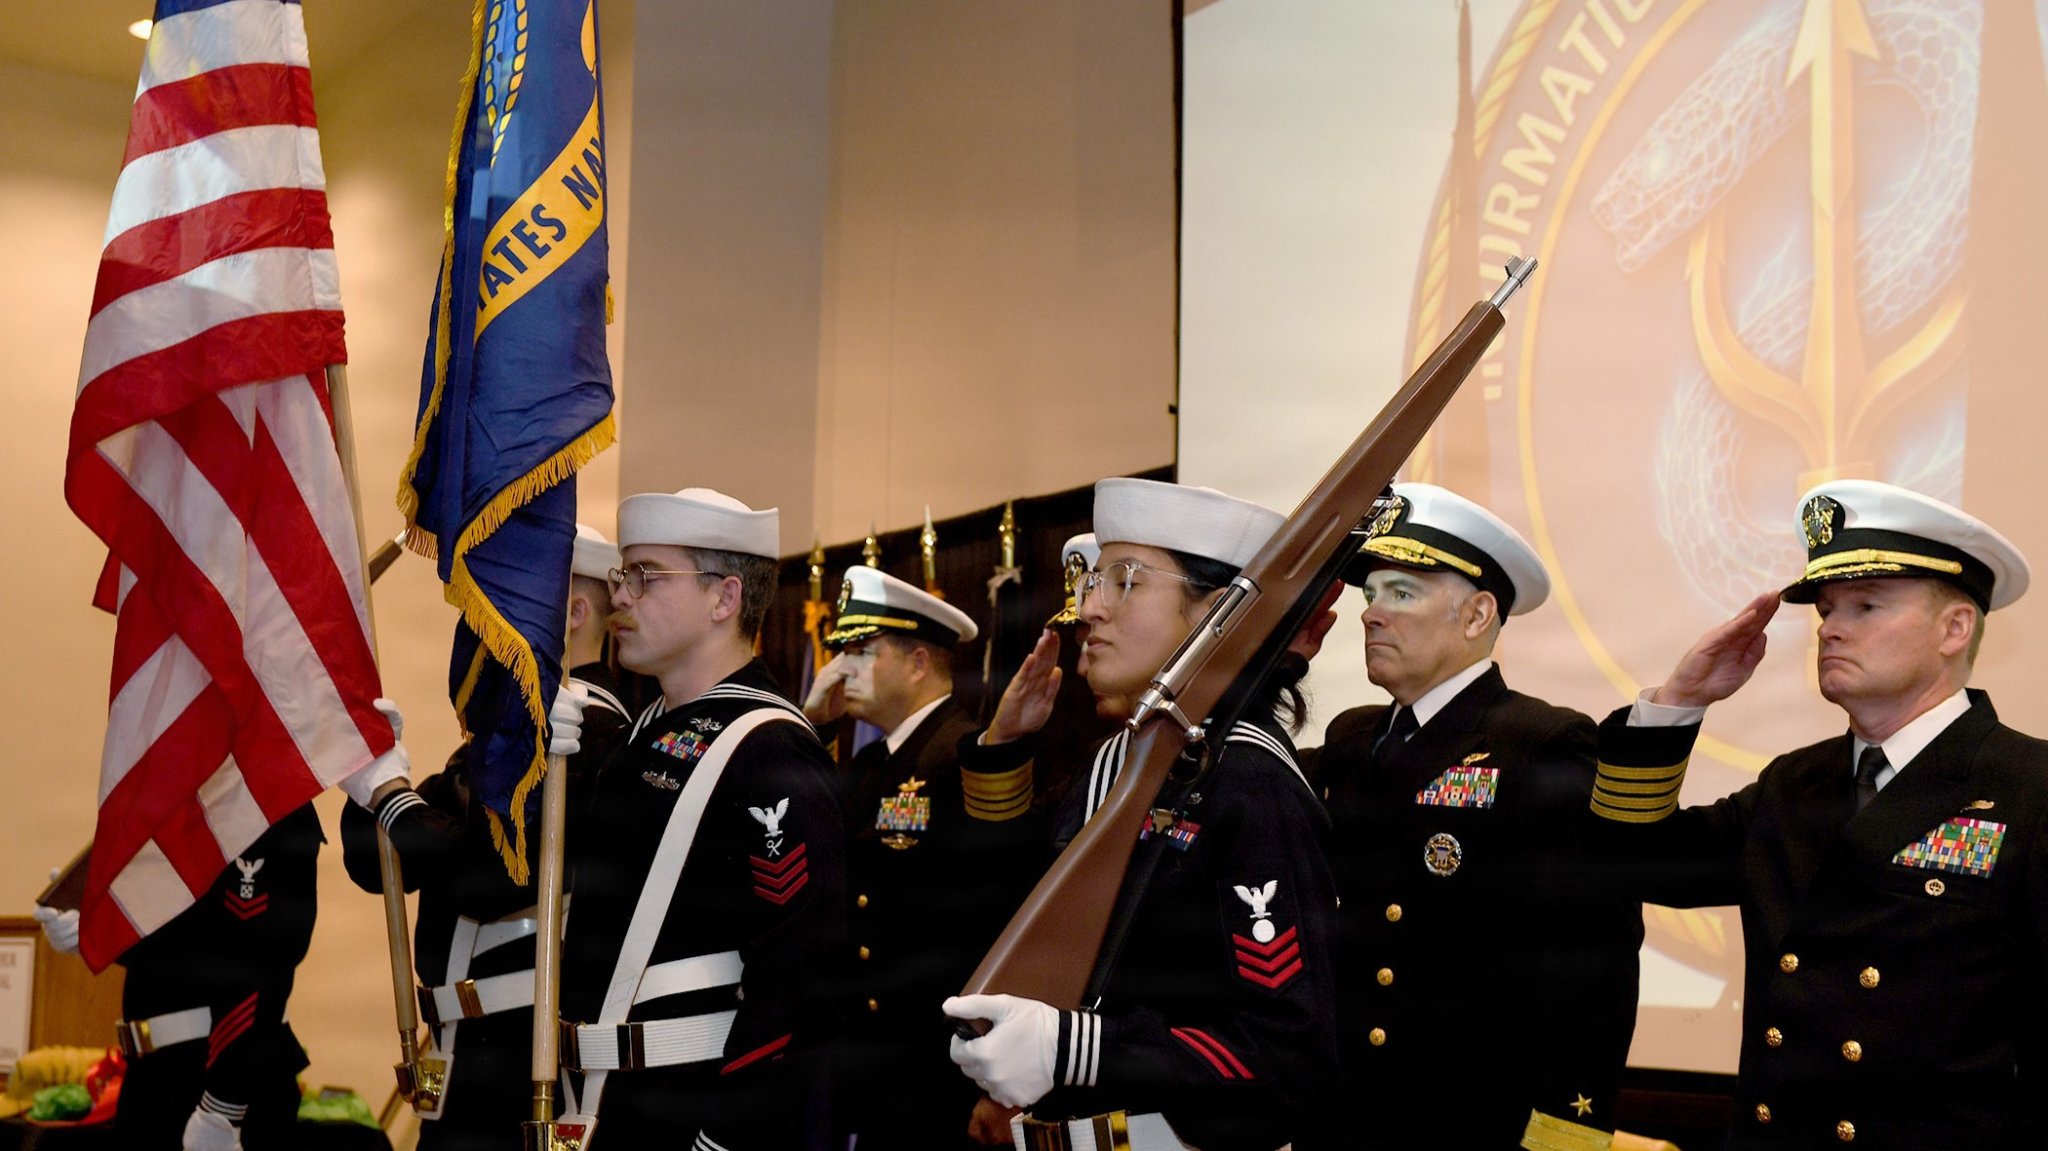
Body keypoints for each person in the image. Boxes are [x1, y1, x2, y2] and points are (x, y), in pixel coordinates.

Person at [1590, 479, 2048, 1149]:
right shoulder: (1796, 783)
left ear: (1955, 628)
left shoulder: (2029, 788)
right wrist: (1678, 700)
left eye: (1867, 605)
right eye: (1828, 608)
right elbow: (1632, 862)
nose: (1832, 626)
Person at [943, 477, 1339, 1151]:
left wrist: (1077, 1050)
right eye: (1092, 581)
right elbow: (1025, 929)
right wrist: (1004, 752)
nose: (1086, 609)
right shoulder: (1122, 765)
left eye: (1124, 580)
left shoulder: (1246, 784)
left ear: (1220, 613)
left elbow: (1283, 1057)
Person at [1304, 483, 1641, 1150]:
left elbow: (1594, 958)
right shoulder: (1350, 738)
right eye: (1371, 595)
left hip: (1470, 1122)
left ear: (1477, 613)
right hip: (1342, 1116)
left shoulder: (1541, 742)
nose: (1372, 614)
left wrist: (1564, 1131)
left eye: (1401, 593)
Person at [552, 488, 845, 1148]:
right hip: (606, 1101)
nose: (620, 595)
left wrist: (725, 1133)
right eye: (623, 574)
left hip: (689, 1111)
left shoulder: (770, 746)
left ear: (725, 598)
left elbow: (798, 980)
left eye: (647, 576)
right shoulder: (643, 732)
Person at [336, 523, 629, 1149]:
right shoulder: (502, 742)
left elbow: (491, 876)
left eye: (509, 595)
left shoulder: (591, 736)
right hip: (461, 1054)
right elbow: (378, 866)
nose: (485, 616)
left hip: (524, 1053)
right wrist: (370, 774)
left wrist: (392, 798)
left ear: (574, 611)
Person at [34, 713, 406, 1151]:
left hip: (224, 1078)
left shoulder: (268, 803)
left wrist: (222, 1106)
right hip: (152, 1077)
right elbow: (180, 938)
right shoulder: (172, 801)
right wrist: (95, 931)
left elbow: (263, 964)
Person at [805, 566, 1041, 1149]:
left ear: (916, 663)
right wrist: (811, 724)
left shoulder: (964, 755)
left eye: (862, 651)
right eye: (842, 651)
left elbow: (1000, 913)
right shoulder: (869, 766)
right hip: (870, 1068)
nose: (842, 668)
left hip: (940, 1076)